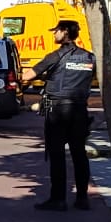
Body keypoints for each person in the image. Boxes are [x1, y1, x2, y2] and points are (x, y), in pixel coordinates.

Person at [31, 20, 96, 210]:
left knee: (57, 155)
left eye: (56, 31)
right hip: (79, 111)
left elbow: (29, 75)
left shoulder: (56, 56)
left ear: (65, 32)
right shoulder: (89, 57)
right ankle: (82, 198)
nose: (54, 35)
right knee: (79, 154)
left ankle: (58, 199)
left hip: (58, 110)